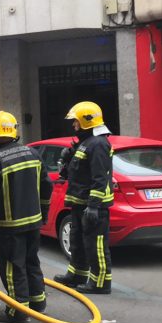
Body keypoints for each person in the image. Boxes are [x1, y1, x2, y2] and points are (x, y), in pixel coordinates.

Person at [0, 111, 53, 323]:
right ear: (14, 131)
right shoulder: (33, 154)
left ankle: (17, 311)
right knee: (32, 261)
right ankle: (38, 304)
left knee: (12, 266)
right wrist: (43, 214)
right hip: (33, 221)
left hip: (10, 225)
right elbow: (46, 186)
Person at [53, 101, 114, 294]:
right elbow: (77, 173)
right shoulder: (86, 143)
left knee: (95, 245)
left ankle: (100, 282)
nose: (73, 125)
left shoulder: (98, 144)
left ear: (86, 122)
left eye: (76, 122)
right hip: (79, 203)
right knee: (77, 241)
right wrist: (68, 158)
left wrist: (94, 206)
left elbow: (99, 177)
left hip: (93, 206)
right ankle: (77, 275)